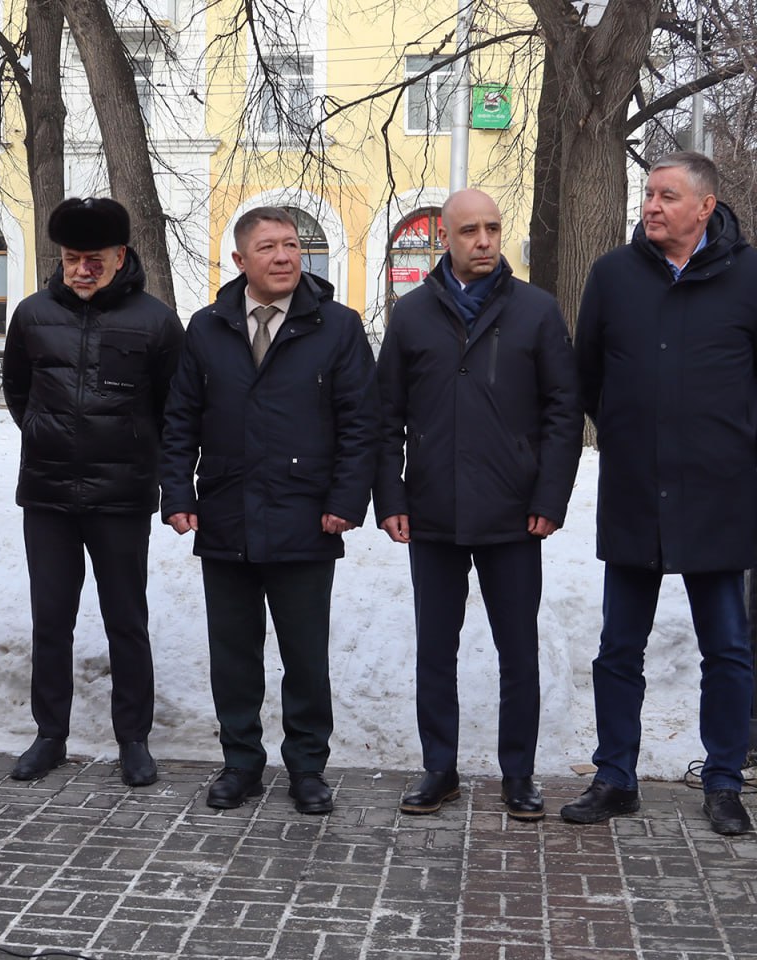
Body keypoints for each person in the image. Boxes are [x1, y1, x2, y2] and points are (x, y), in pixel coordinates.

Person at [160, 206, 379, 815]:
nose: (284, 256)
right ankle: (241, 764)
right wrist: (177, 493)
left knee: (305, 655)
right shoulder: (207, 329)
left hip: (306, 517)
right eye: (268, 248)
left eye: (292, 245)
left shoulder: (336, 326)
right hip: (226, 513)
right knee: (233, 654)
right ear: (240, 261)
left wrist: (344, 501)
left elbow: (363, 424)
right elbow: (179, 420)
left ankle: (308, 767)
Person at [374, 189, 583, 821]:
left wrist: (549, 495)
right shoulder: (410, 316)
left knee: (518, 649)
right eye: (470, 231)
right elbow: (386, 418)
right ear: (447, 237)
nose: (485, 241)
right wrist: (391, 495)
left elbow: (563, 414)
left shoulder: (537, 312)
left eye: (493, 228)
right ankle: (439, 767)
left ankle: (518, 774)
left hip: (514, 514)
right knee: (436, 649)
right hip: (434, 510)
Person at [564, 151, 757, 836]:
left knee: (727, 647)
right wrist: (621, 429)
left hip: (719, 495)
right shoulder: (613, 276)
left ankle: (724, 781)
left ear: (705, 207)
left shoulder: (747, 276)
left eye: (667, 196)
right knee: (619, 646)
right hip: (636, 491)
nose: (651, 206)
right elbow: (586, 375)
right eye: (648, 193)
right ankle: (616, 776)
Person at [1, 197, 184, 787]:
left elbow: (171, 406)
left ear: (120, 256)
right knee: (50, 620)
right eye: (73, 258)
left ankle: (133, 738)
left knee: (126, 620)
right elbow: (18, 392)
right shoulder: (31, 315)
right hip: (49, 496)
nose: (82, 269)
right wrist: (44, 432)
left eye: (94, 259)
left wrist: (139, 454)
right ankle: (49, 735)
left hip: (122, 496)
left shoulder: (155, 321)